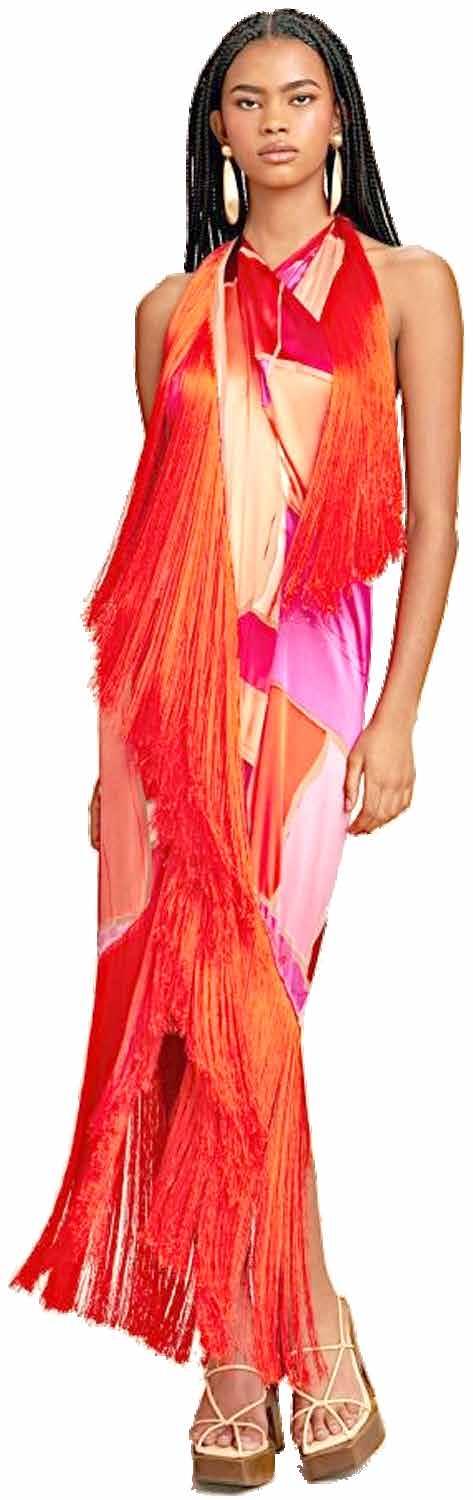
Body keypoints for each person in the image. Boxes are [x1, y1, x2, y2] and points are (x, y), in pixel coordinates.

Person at [9, 9, 462, 1489]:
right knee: (194, 1026)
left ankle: (294, 1325)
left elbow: (435, 525)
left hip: (315, 686)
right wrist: (115, 761)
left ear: (339, 120)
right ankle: (258, 1347)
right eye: (246, 100)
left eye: (300, 96)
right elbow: (165, 546)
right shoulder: (166, 311)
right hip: (170, 713)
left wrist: (398, 715)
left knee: (253, 1000)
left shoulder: (411, 286)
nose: (274, 120)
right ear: (215, 128)